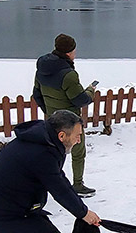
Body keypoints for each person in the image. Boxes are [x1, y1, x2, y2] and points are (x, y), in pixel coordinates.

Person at [33, 34, 98, 196]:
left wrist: (48, 112)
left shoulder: (41, 68)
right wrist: (91, 91)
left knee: (51, 153)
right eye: (74, 50)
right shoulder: (69, 74)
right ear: (69, 52)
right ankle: (77, 185)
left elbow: (37, 94)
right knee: (78, 152)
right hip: (70, 122)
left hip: (51, 120)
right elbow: (80, 100)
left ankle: (47, 184)